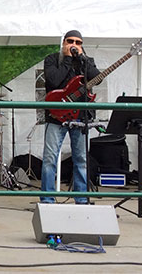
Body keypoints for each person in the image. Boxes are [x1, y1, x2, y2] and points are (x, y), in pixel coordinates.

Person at [40, 30, 101, 204]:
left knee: (81, 159)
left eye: (78, 42)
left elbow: (98, 79)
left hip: (80, 116)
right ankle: (47, 199)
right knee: (50, 158)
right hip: (56, 116)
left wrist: (83, 60)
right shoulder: (52, 59)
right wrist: (67, 59)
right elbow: (53, 81)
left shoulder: (86, 62)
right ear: (63, 42)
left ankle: (81, 199)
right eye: (70, 41)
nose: (74, 45)